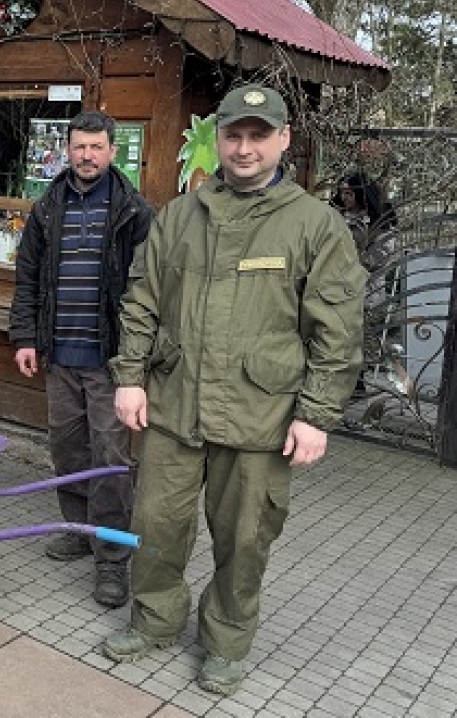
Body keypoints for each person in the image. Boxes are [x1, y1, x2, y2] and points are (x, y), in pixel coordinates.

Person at [100, 86, 366, 697]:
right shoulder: (180, 215)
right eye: (233, 135)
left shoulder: (314, 226)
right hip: (173, 405)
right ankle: (155, 621)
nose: (244, 148)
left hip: (260, 415)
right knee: (156, 523)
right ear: (217, 138)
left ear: (283, 141)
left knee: (246, 539)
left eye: (258, 135)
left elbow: (337, 329)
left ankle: (224, 644)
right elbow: (140, 301)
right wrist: (130, 378)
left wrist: (317, 415)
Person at [7, 110, 153, 608]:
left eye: (96, 147)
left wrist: (138, 359)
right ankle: (77, 528)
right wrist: (25, 337)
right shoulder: (48, 207)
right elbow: (27, 276)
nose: (87, 155)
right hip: (59, 355)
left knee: (110, 458)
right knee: (67, 450)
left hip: (109, 360)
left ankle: (112, 558)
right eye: (79, 147)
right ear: (67, 150)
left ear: (113, 151)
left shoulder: (134, 211)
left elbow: (149, 291)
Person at [332, 171, 402, 372]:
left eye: (350, 193)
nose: (345, 198)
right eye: (342, 193)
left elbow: (381, 253)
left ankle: (358, 380)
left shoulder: (378, 221)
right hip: (334, 283)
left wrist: (352, 262)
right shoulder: (336, 216)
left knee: (359, 338)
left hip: (366, 286)